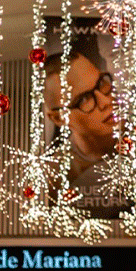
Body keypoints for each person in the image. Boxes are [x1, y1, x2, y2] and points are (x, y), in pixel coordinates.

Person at [44, 48, 116, 184]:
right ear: (59, 118)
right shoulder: (54, 177)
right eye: (84, 99)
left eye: (101, 83)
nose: (106, 101)